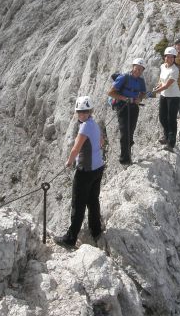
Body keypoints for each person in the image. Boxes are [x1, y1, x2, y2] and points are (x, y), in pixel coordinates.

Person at [54, 96, 105, 248]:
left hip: (85, 171)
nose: (82, 114)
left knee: (78, 204)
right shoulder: (93, 123)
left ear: (89, 111)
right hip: (98, 168)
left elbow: (76, 148)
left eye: (84, 112)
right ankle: (96, 230)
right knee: (93, 200)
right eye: (80, 112)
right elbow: (101, 141)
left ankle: (70, 239)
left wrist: (69, 162)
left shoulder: (84, 127)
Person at [107, 58, 147, 165]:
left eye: (140, 70)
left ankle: (128, 156)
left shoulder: (141, 81)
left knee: (131, 132)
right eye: (136, 68)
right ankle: (124, 160)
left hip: (134, 106)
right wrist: (125, 98)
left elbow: (143, 93)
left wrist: (140, 98)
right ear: (132, 67)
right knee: (125, 132)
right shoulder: (124, 77)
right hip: (122, 106)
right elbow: (111, 93)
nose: (138, 71)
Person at [152, 47, 180, 150]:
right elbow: (162, 81)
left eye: (172, 57)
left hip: (173, 97)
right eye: (168, 57)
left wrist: (155, 92)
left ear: (174, 58)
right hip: (164, 95)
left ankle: (171, 143)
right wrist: (157, 87)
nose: (169, 59)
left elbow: (167, 85)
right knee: (162, 117)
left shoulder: (175, 70)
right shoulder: (163, 66)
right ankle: (166, 136)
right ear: (165, 57)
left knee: (171, 119)